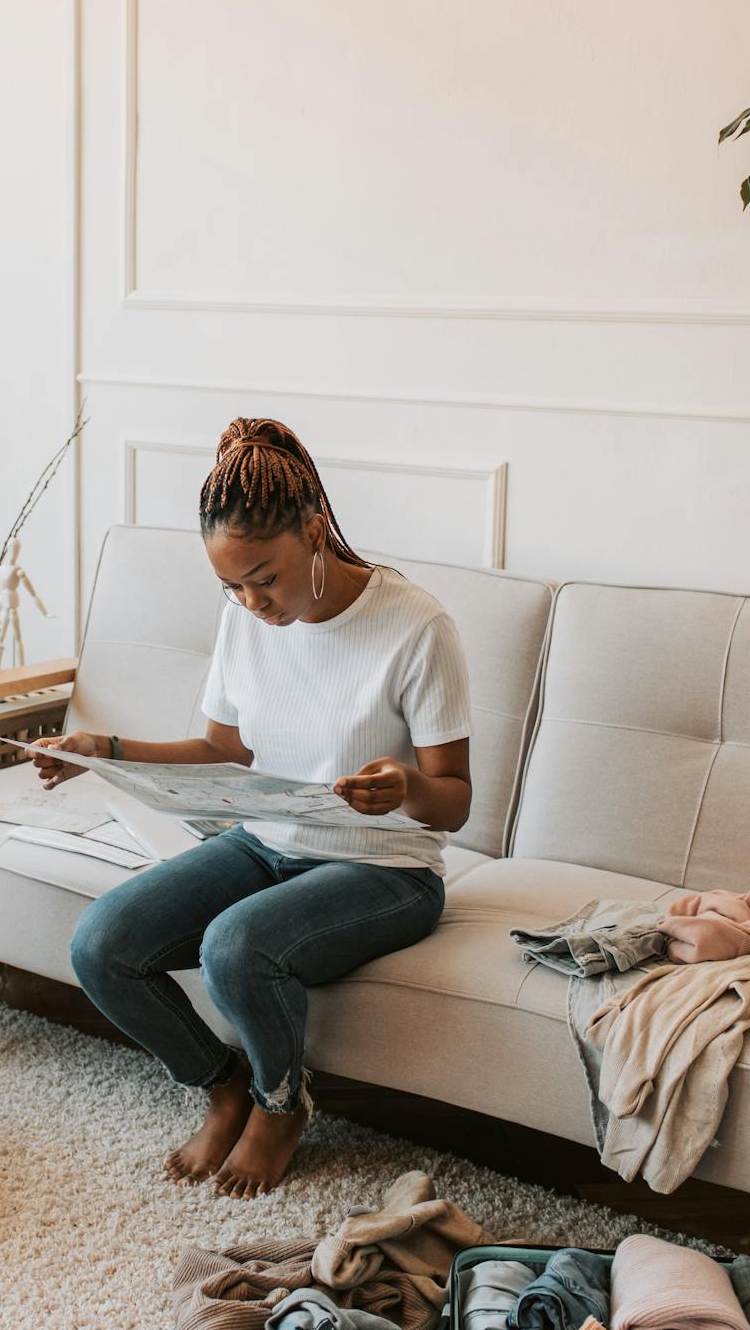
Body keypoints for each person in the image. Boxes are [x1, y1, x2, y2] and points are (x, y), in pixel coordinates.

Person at [33, 417, 472, 1197]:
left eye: (262, 577)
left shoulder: (415, 626)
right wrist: (108, 752)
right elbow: (221, 752)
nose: (249, 601)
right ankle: (222, 1084)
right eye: (230, 585)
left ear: (311, 533)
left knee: (233, 945)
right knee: (102, 944)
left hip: (383, 866)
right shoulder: (243, 619)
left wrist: (401, 788)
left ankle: (279, 1104)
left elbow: (454, 804)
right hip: (265, 840)